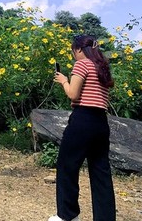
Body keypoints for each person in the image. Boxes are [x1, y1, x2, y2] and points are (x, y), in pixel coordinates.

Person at [49, 34, 116, 221]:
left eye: (73, 51)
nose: (73, 55)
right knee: (101, 172)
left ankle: (67, 215)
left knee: (67, 165)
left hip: (83, 120)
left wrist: (63, 80)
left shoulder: (82, 64)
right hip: (101, 123)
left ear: (79, 49)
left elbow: (73, 94)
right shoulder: (102, 67)